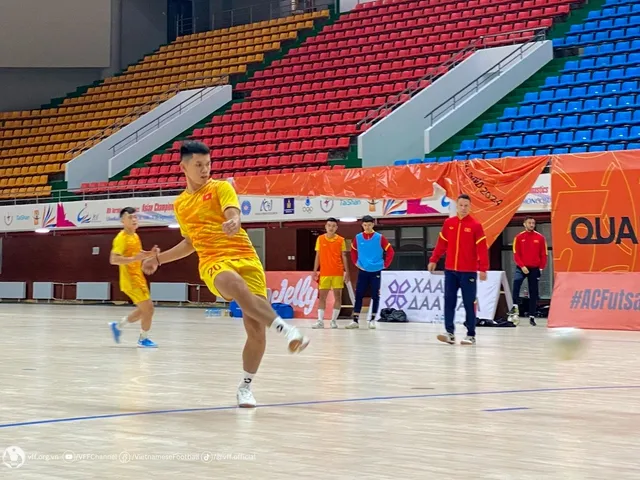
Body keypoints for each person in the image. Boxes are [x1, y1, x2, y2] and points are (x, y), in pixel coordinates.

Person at [141, 140, 309, 409]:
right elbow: (189, 242)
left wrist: (234, 220)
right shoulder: (181, 205)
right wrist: (158, 259)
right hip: (213, 261)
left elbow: (233, 212)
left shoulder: (221, 187)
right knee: (234, 284)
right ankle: (286, 329)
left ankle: (245, 387)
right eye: (198, 165)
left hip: (246, 256)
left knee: (255, 331)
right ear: (183, 167)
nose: (205, 169)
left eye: (208, 164)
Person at [428, 194, 489, 346]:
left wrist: (483, 269)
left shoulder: (475, 225)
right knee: (449, 301)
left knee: (469, 303)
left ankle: (471, 334)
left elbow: (482, 249)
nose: (463, 208)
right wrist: (433, 259)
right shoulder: (449, 223)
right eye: (460, 205)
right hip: (450, 271)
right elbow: (441, 244)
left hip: (468, 272)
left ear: (470, 207)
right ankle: (449, 333)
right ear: (456, 206)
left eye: (466, 206)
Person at [109, 207, 159, 348]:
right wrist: (133, 259)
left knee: (144, 310)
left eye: (135, 217)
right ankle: (143, 339)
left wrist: (151, 253)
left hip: (138, 277)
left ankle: (118, 326)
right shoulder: (121, 238)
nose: (134, 219)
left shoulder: (135, 236)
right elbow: (113, 259)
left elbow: (138, 254)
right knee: (149, 309)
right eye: (130, 217)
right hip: (130, 279)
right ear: (122, 221)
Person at [348, 215, 394, 330]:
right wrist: (356, 263)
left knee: (375, 296)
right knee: (358, 295)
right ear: (362, 225)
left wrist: (385, 264)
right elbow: (352, 251)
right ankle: (355, 320)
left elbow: (390, 251)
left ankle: (372, 320)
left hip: (376, 271)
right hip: (363, 270)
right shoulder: (358, 237)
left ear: (373, 224)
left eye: (369, 225)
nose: (367, 227)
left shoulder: (379, 237)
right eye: (365, 225)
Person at [509, 216, 547, 326]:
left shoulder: (540, 238)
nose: (531, 225)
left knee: (533, 292)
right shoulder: (519, 237)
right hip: (522, 268)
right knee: (516, 283)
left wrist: (541, 268)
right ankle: (515, 307)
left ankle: (532, 315)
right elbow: (516, 254)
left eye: (533, 223)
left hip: (535, 268)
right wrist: (522, 266)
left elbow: (544, 254)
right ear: (524, 224)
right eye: (529, 223)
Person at [312, 217, 350, 329]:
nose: (331, 228)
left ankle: (333, 321)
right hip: (324, 273)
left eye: (333, 226)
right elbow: (317, 255)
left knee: (338, 297)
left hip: (338, 272)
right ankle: (320, 321)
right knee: (322, 297)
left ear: (336, 227)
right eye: (329, 225)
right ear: (326, 226)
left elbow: (344, 256)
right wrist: (315, 271)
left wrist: (347, 272)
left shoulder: (341, 240)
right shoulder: (320, 239)